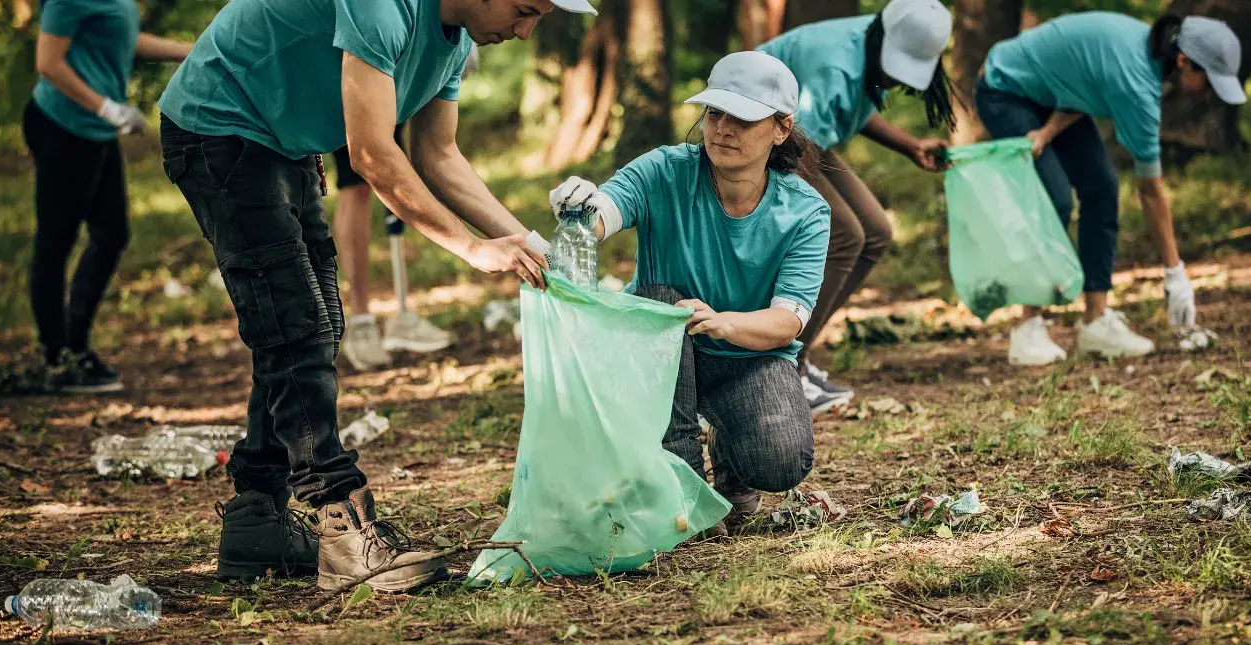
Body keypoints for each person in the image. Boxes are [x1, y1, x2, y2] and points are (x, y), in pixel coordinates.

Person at [157, 0, 593, 592]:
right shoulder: (385, 8)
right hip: (219, 123)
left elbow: (438, 154)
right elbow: (369, 153)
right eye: (523, 10)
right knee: (294, 325)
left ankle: (256, 519)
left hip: (284, 139)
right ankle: (340, 520)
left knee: (312, 322)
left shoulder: (456, 41)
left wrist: (527, 246)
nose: (525, 31)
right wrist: (470, 247)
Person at [548, 51, 831, 536]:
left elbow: (787, 321)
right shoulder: (665, 170)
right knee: (660, 298)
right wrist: (580, 208)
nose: (723, 129)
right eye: (715, 113)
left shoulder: (806, 212)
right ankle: (682, 484)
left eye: (742, 119)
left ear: (781, 128)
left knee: (782, 460)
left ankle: (731, 458)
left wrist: (723, 322)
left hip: (747, 357)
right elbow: (606, 210)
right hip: (660, 352)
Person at [976, 12, 1244, 366]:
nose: (1209, 94)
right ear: (1183, 61)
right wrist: (1174, 272)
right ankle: (1027, 329)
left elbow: (1084, 82)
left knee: (1102, 187)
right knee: (1054, 199)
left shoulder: (1145, 56)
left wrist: (1048, 131)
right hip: (1004, 87)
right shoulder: (1137, 83)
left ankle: (1095, 322)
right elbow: (1150, 192)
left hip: (1051, 94)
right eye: (1209, 82)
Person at [757, 0, 957, 413]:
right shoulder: (835, 63)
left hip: (800, 135)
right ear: (884, 39)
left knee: (876, 232)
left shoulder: (872, 39)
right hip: (757, 135)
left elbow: (849, 106)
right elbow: (796, 144)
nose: (895, 80)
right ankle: (780, 367)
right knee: (844, 234)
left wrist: (911, 145)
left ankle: (796, 353)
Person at [23, 0, 191, 392]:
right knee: (55, 243)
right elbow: (48, 62)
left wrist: (190, 50)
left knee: (112, 234)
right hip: (63, 128)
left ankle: (75, 346)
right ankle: (58, 359)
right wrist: (105, 107)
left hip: (96, 132)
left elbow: (122, 36)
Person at [330, 48, 480, 370]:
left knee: (395, 162)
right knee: (357, 181)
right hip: (347, 58)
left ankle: (401, 314)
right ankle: (360, 321)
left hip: (396, 61)